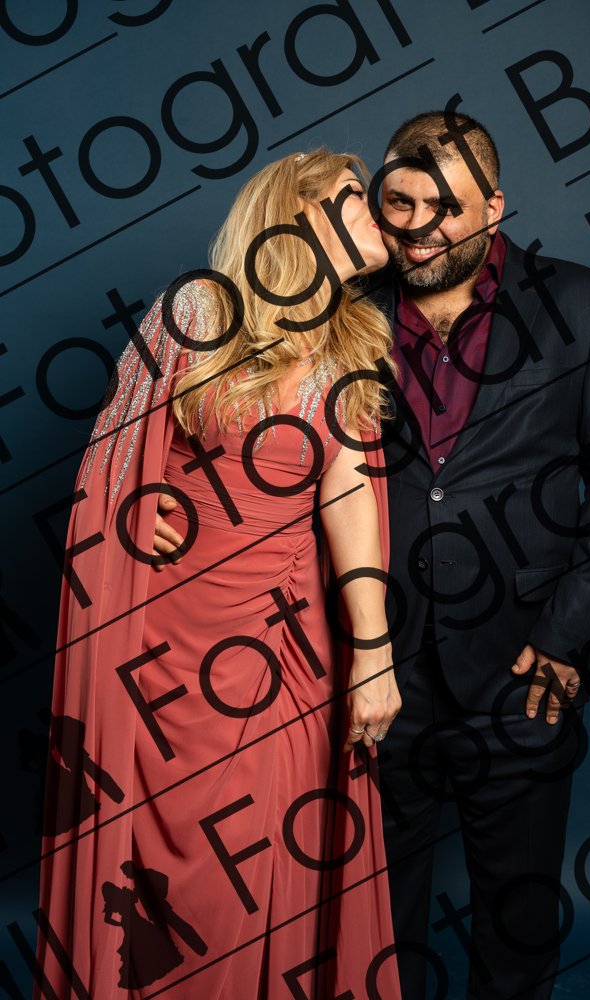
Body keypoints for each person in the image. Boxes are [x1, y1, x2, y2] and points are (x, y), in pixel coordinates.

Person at [153, 114, 590, 999]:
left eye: (447, 208)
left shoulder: (582, 307)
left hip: (520, 671)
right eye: (402, 204)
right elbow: (235, 408)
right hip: (369, 675)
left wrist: (562, 639)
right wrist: (159, 490)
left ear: (493, 208)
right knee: (373, 932)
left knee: (516, 933)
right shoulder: (339, 310)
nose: (421, 227)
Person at [35, 149, 403, 999]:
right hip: (161, 652)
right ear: (299, 212)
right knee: (158, 880)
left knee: (267, 866)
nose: (377, 208)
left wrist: (374, 654)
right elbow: (110, 463)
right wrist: (139, 506)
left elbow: (351, 500)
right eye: (355, 194)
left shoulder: (352, 341)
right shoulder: (195, 309)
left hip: (284, 657)